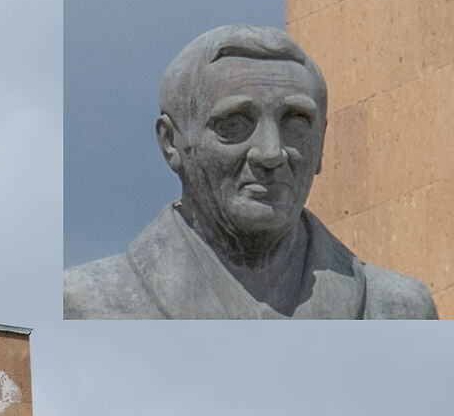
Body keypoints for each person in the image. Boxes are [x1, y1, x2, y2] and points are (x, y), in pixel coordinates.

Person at [64, 24, 437, 319]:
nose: (270, 153)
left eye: (295, 124)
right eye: (234, 125)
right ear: (171, 143)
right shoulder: (88, 303)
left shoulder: (400, 309)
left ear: (322, 144)